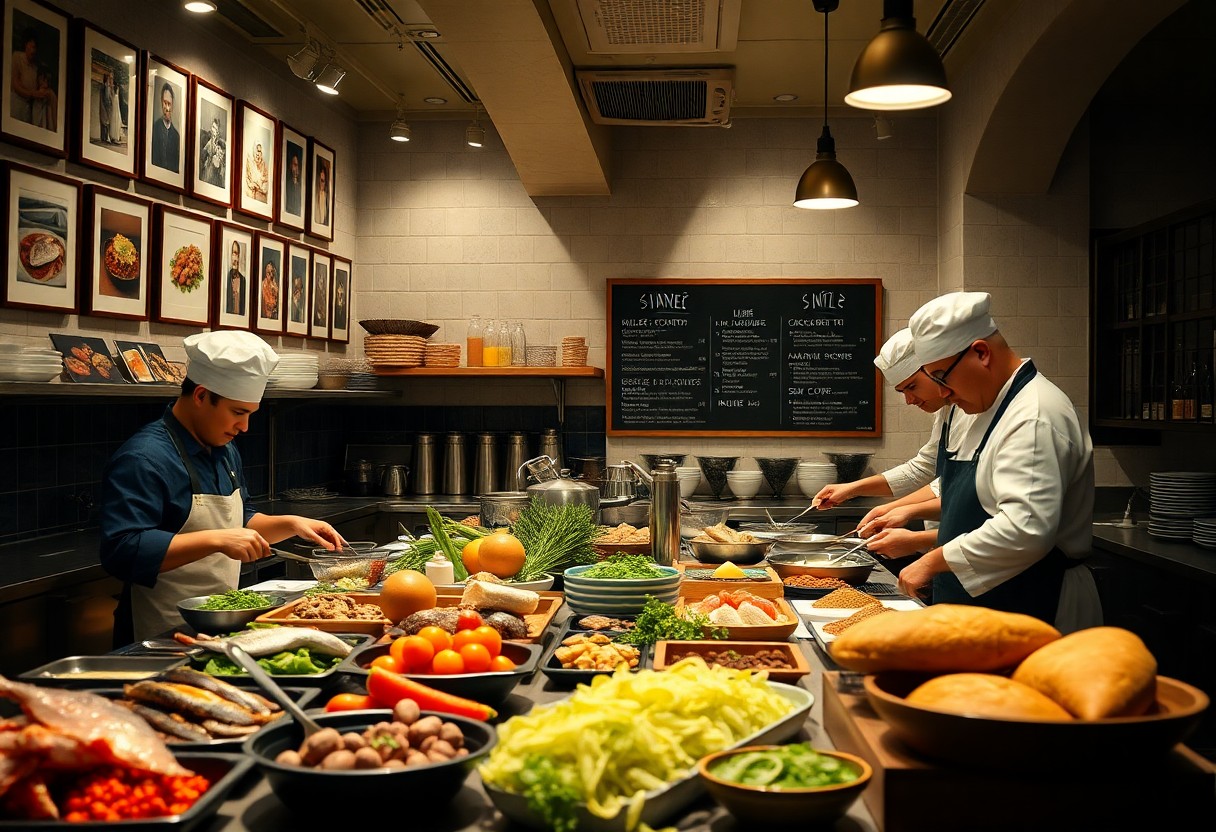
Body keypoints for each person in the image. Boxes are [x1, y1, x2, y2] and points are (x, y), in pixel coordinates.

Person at [99, 331, 347, 644]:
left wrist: (291, 524)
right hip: (160, 633)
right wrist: (216, 540)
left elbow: (238, 521)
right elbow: (122, 551)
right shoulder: (145, 458)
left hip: (216, 621)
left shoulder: (223, 447)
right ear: (201, 396)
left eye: (250, 414)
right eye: (238, 413)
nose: (244, 427)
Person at [896, 291, 1102, 633]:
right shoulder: (993, 407)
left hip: (1035, 602)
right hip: (994, 604)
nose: (943, 393)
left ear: (981, 353)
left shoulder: (1034, 415)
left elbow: (1026, 527)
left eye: (942, 378)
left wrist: (933, 560)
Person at [814, 328, 958, 564]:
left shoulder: (997, 411)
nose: (909, 401)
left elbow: (962, 491)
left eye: (912, 387)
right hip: (947, 547)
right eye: (902, 391)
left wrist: (905, 513)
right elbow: (927, 472)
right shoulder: (948, 410)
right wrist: (852, 489)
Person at [10, 28, 43, 124]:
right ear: (26, 44)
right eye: (32, 46)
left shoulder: (35, 67)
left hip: (28, 109)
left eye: (35, 48)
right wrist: (32, 93)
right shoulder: (17, 57)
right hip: (16, 104)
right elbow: (15, 84)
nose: (33, 50)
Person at [150, 80, 179, 172]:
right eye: (165, 103)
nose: (167, 108)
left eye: (169, 104)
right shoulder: (155, 128)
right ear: (161, 102)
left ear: (173, 105)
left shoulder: (176, 136)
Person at [200, 117, 225, 188]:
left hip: (216, 172)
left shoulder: (221, 143)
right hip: (208, 170)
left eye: (215, 129)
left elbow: (223, 160)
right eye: (213, 127)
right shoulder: (208, 140)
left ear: (218, 131)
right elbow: (202, 155)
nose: (213, 130)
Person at [98, 70, 115, 145]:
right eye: (110, 78)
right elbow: (104, 98)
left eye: (112, 78)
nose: (111, 80)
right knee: (104, 121)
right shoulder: (104, 87)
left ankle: (108, 137)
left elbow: (111, 97)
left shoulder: (110, 87)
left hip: (109, 107)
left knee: (108, 122)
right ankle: (104, 138)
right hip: (104, 106)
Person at [284, 147, 302, 215]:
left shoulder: (300, 187)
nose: (296, 168)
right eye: (295, 165)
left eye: (297, 165)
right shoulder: (287, 184)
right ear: (290, 165)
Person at [314, 160, 329, 225]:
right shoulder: (314, 196)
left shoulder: (326, 198)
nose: (320, 183)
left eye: (322, 181)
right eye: (319, 180)